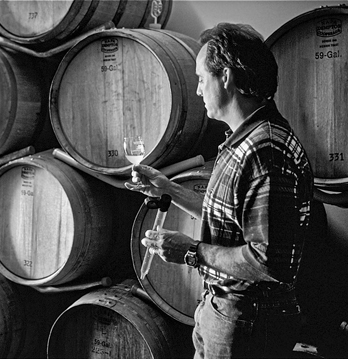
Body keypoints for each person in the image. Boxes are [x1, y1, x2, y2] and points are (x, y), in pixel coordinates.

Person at [125, 23, 314, 358]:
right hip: (224, 310)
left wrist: (191, 251)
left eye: (201, 78)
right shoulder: (245, 140)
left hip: (247, 321)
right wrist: (169, 188)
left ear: (225, 76)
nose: (198, 90)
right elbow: (231, 219)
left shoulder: (264, 151)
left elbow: (268, 262)